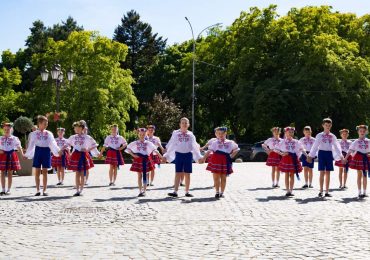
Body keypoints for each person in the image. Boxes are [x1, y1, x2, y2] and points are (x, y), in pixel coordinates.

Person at [163, 117, 202, 198]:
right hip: (179, 155)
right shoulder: (176, 134)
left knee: (187, 174)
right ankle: (175, 191)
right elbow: (172, 145)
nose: (184, 124)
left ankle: (187, 191)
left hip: (188, 155)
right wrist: (166, 155)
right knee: (178, 173)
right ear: (180, 124)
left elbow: (194, 146)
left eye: (186, 123)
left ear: (188, 125)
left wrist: (199, 156)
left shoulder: (191, 135)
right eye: (182, 123)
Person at [25, 115, 60, 196]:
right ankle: (38, 190)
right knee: (37, 172)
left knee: (45, 172)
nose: (46, 125)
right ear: (39, 124)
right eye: (44, 123)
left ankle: (44, 190)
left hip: (46, 152)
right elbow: (31, 145)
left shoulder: (49, 133)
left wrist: (58, 151)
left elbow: (53, 143)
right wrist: (27, 154)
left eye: (47, 123)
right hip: (38, 151)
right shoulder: (33, 134)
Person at [307, 118, 343, 198]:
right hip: (322, 153)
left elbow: (337, 147)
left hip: (329, 154)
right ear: (323, 125)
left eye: (329, 125)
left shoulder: (333, 136)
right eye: (326, 125)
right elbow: (315, 146)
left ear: (331, 126)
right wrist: (310, 155)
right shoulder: (319, 135)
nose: (328, 127)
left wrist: (341, 156)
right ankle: (320, 191)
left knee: (328, 173)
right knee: (322, 172)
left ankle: (327, 191)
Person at [202, 127, 239, 198]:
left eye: (222, 133)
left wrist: (231, 156)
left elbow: (237, 148)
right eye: (219, 133)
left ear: (226, 133)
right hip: (216, 160)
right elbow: (209, 151)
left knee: (223, 178)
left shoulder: (230, 142)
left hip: (225, 160)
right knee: (216, 177)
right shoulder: (214, 143)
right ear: (217, 134)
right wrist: (204, 158)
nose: (221, 135)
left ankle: (222, 192)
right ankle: (217, 192)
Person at [125, 128, 161, 197]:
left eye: (143, 134)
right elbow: (128, 149)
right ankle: (140, 190)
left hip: (146, 159)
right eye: (140, 134)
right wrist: (133, 155)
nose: (142, 136)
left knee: (146, 174)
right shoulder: (135, 143)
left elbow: (155, 150)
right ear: (138, 134)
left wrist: (161, 157)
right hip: (138, 159)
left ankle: (144, 190)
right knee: (139, 176)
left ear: (146, 134)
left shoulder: (148, 143)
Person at [66, 121, 98, 196]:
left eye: (77, 127)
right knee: (77, 173)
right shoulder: (73, 137)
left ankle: (81, 189)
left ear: (82, 128)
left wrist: (87, 150)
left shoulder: (87, 137)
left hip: (83, 155)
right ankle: (77, 189)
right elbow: (67, 144)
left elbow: (94, 144)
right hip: (76, 155)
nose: (76, 129)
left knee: (82, 173)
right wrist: (68, 151)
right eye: (75, 128)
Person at [275, 127, 303, 197]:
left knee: (292, 175)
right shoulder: (283, 141)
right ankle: (287, 190)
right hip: (286, 159)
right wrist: (282, 153)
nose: (291, 133)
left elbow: (301, 149)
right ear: (286, 133)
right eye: (289, 132)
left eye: (292, 132)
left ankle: (291, 190)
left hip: (293, 159)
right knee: (287, 174)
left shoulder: (296, 141)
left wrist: (304, 155)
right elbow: (275, 149)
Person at [345, 125, 370, 199]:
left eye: (364, 131)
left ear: (366, 132)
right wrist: (345, 158)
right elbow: (350, 150)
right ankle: (359, 191)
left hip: (366, 158)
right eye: (360, 131)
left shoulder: (368, 141)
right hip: (359, 158)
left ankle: (364, 192)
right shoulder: (356, 141)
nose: (362, 132)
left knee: (365, 175)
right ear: (358, 132)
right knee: (359, 174)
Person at [0, 123, 23, 195]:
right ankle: (3, 189)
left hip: (11, 155)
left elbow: (19, 147)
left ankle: (9, 189)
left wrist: (22, 155)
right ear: (3, 130)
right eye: (5, 129)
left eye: (8, 129)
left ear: (11, 130)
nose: (6, 131)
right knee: (2, 172)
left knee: (10, 173)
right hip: (2, 155)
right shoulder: (0, 138)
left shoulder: (14, 138)